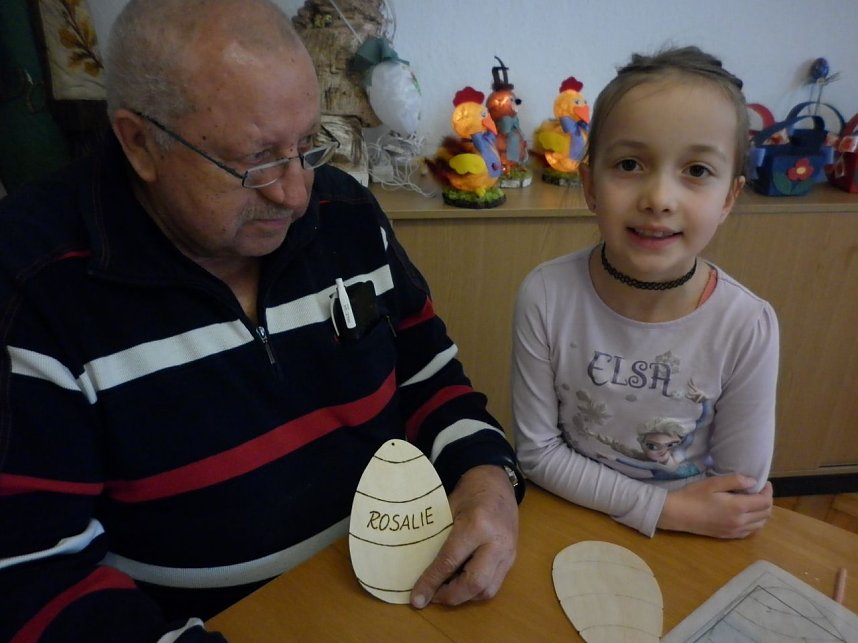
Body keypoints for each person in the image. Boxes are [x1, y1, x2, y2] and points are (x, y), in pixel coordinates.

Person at [0, 1, 524, 640]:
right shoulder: (34, 285)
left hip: (401, 594)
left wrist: (486, 475)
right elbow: (31, 578)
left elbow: (430, 374)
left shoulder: (346, 216)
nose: (296, 194)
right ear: (140, 142)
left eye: (308, 144)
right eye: (256, 160)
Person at [512, 46, 777, 540]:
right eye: (630, 164)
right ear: (590, 185)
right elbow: (537, 453)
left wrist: (673, 518)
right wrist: (661, 509)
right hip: (569, 515)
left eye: (696, 171)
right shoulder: (546, 295)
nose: (658, 199)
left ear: (729, 199)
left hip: (691, 537)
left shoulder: (746, 325)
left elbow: (738, 495)